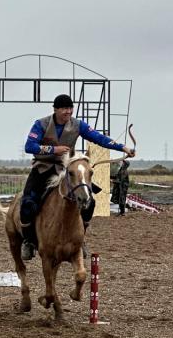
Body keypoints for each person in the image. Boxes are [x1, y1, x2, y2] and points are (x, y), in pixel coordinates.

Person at [20, 93, 134, 260]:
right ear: (56, 109)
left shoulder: (78, 125)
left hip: (65, 170)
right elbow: (29, 146)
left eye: (70, 108)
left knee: (90, 201)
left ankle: (81, 239)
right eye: (64, 108)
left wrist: (123, 148)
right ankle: (29, 241)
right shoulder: (41, 124)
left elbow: (99, 138)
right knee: (27, 203)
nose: (68, 112)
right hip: (42, 169)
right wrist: (54, 150)